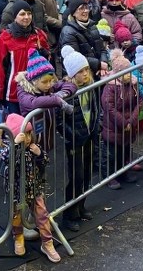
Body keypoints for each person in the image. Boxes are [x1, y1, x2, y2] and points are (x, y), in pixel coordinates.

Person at [0, 113, 60, 263]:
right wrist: (15, 147)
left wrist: (40, 155)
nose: (26, 138)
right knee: (17, 216)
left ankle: (47, 242)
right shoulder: (8, 149)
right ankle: (18, 237)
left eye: (28, 134)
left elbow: (45, 162)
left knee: (42, 214)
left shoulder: (33, 147)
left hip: (34, 188)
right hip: (16, 191)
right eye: (22, 135)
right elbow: (5, 162)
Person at [58, 46, 100, 232]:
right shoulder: (68, 93)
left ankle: (81, 206)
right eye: (80, 72)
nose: (85, 74)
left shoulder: (91, 87)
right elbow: (60, 120)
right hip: (75, 140)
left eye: (86, 70)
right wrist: (71, 135)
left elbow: (95, 109)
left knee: (87, 173)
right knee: (76, 176)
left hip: (89, 134)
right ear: (72, 75)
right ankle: (69, 214)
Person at [0, 1, 49, 112]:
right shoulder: (5, 37)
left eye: (29, 13)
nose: (26, 17)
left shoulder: (38, 35)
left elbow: (48, 60)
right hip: (13, 94)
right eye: (22, 14)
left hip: (36, 91)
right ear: (15, 17)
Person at [101, 49, 140, 189]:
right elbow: (109, 108)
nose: (129, 75)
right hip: (114, 127)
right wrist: (124, 122)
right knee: (111, 154)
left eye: (130, 72)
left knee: (125, 151)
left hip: (128, 126)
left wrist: (131, 121)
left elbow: (138, 102)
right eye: (126, 73)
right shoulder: (110, 87)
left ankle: (124, 171)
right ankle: (109, 176)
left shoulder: (133, 83)